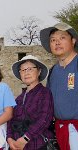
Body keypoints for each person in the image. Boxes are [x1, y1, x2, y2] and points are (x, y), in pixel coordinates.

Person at [40, 22, 78, 150]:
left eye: (62, 38)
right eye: (53, 40)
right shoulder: (53, 72)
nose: (57, 42)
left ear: (73, 41)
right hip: (61, 130)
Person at [7, 55, 54, 149]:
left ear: (39, 71)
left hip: (38, 145)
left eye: (30, 69)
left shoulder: (44, 93)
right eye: (23, 70)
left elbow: (44, 119)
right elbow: (10, 120)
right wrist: (9, 138)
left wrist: (25, 138)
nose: (26, 73)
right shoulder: (18, 99)